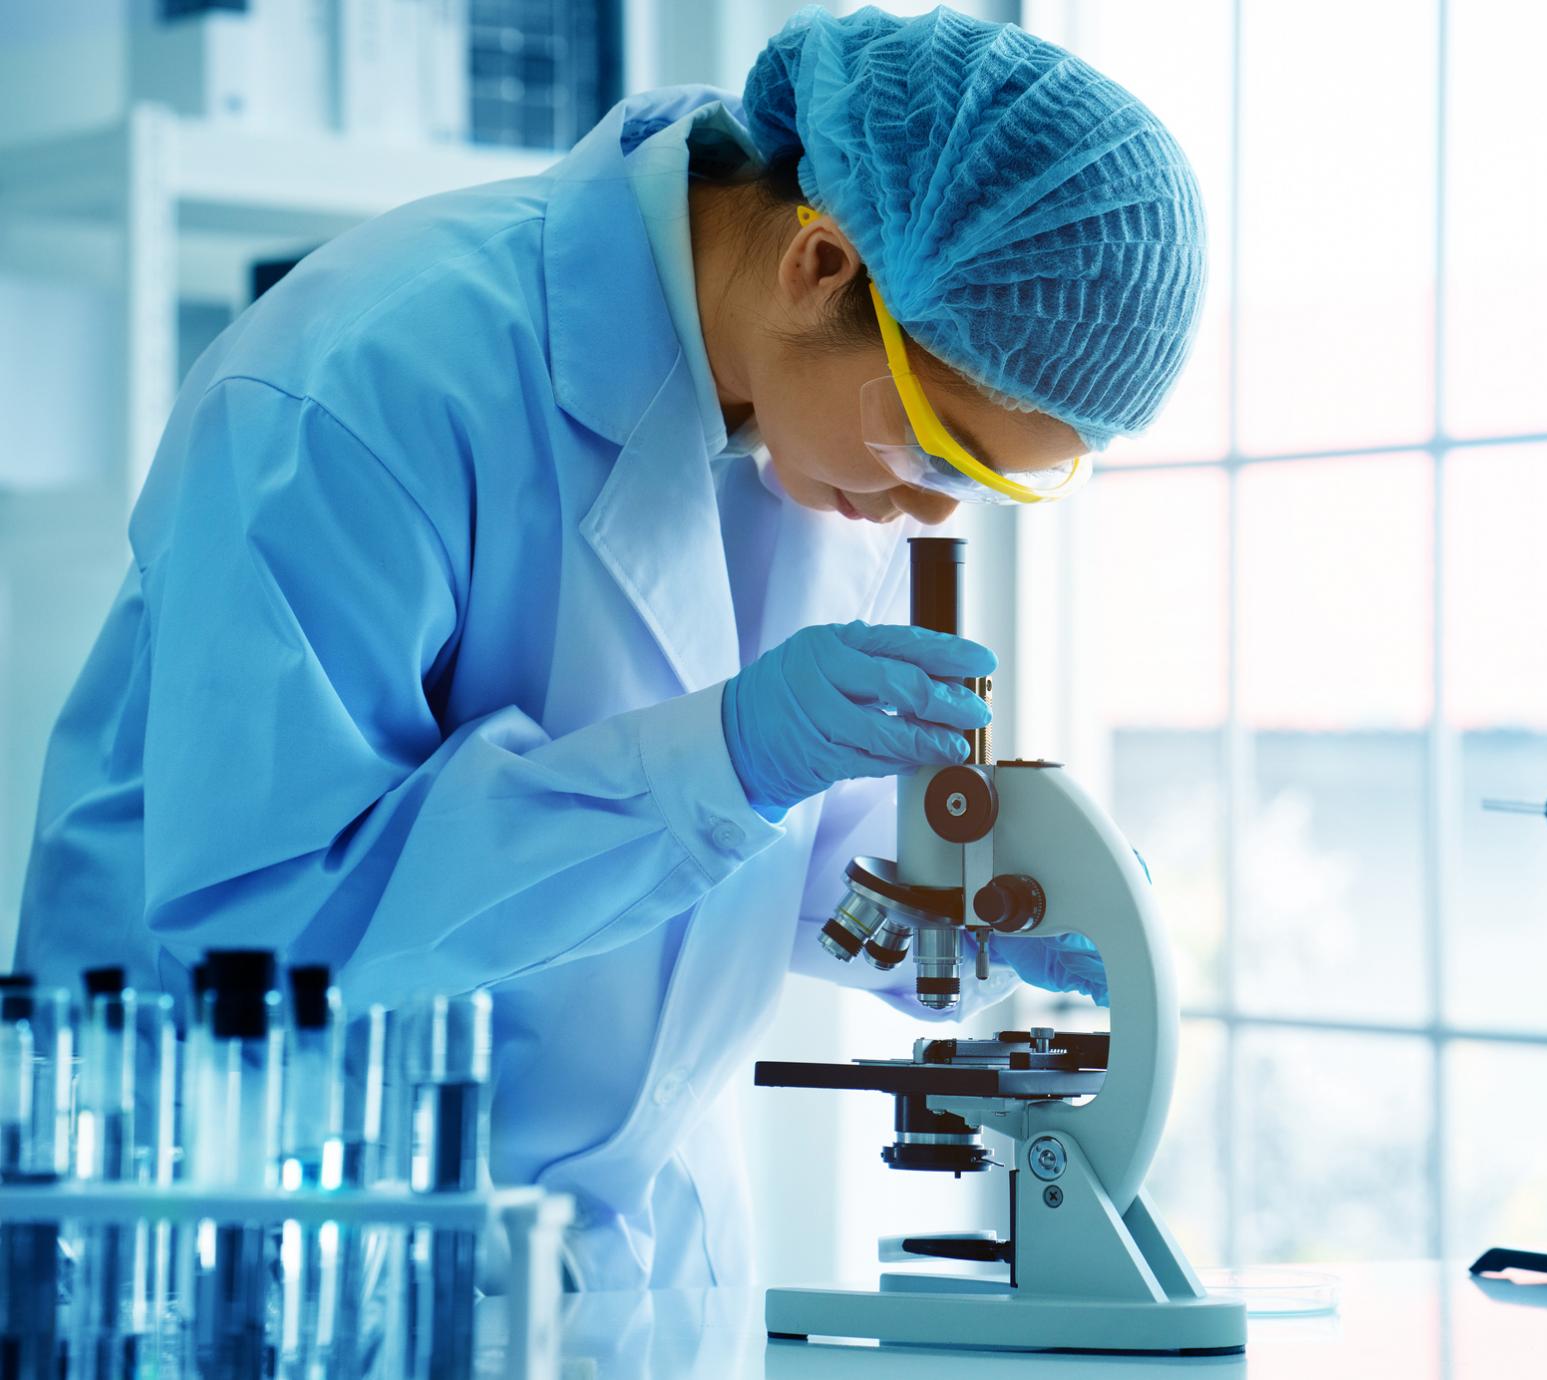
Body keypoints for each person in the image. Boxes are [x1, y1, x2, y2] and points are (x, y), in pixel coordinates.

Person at [17, 4, 1205, 1289]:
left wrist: (949, 910)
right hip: (280, 1245)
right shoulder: (376, 373)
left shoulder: (811, 438)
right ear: (819, 264)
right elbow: (263, 929)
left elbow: (784, 868)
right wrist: (727, 759)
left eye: (984, 480)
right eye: (937, 448)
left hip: (629, 1270)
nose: (929, 509)